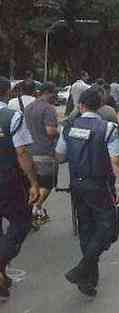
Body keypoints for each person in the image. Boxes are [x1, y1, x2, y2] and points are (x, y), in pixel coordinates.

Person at [55, 87, 119, 297]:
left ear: (80, 106)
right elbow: (116, 159)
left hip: (77, 186)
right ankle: (84, 268)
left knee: (86, 229)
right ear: (101, 106)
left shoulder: (68, 128)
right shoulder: (108, 128)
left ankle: (88, 279)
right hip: (100, 185)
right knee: (108, 229)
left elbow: (60, 156)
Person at [0, 76, 40, 299]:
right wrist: (34, 182)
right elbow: (22, 153)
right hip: (8, 183)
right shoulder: (12, 116)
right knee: (21, 223)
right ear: (7, 93)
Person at [23, 82, 59, 226]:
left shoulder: (28, 107)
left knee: (34, 184)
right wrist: (60, 131)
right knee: (47, 183)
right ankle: (35, 208)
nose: (55, 97)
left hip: (29, 152)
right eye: (54, 94)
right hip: (44, 152)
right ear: (48, 93)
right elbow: (50, 131)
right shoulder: (49, 109)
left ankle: (30, 209)